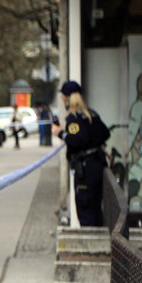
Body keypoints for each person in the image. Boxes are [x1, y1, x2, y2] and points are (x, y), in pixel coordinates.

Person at [51, 81, 110, 226]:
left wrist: (60, 133)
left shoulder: (74, 117)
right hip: (97, 166)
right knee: (95, 209)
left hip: (86, 169)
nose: (62, 99)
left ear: (67, 98)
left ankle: (91, 246)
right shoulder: (91, 114)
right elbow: (105, 133)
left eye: (63, 96)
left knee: (85, 210)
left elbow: (78, 140)